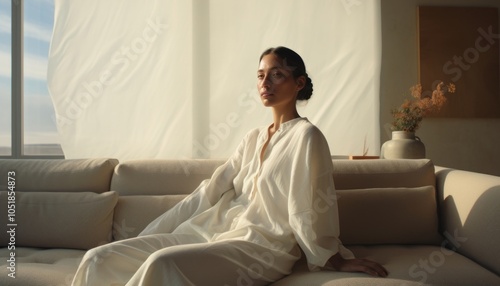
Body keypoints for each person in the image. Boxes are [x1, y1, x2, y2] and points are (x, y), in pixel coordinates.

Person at [71, 46, 388, 286]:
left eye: (277, 74)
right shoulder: (252, 137)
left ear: (299, 82)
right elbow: (209, 191)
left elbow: (311, 204)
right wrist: (149, 234)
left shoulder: (308, 136)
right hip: (210, 232)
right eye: (261, 75)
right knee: (98, 258)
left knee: (162, 265)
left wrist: (331, 257)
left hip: (261, 245)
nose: (266, 82)